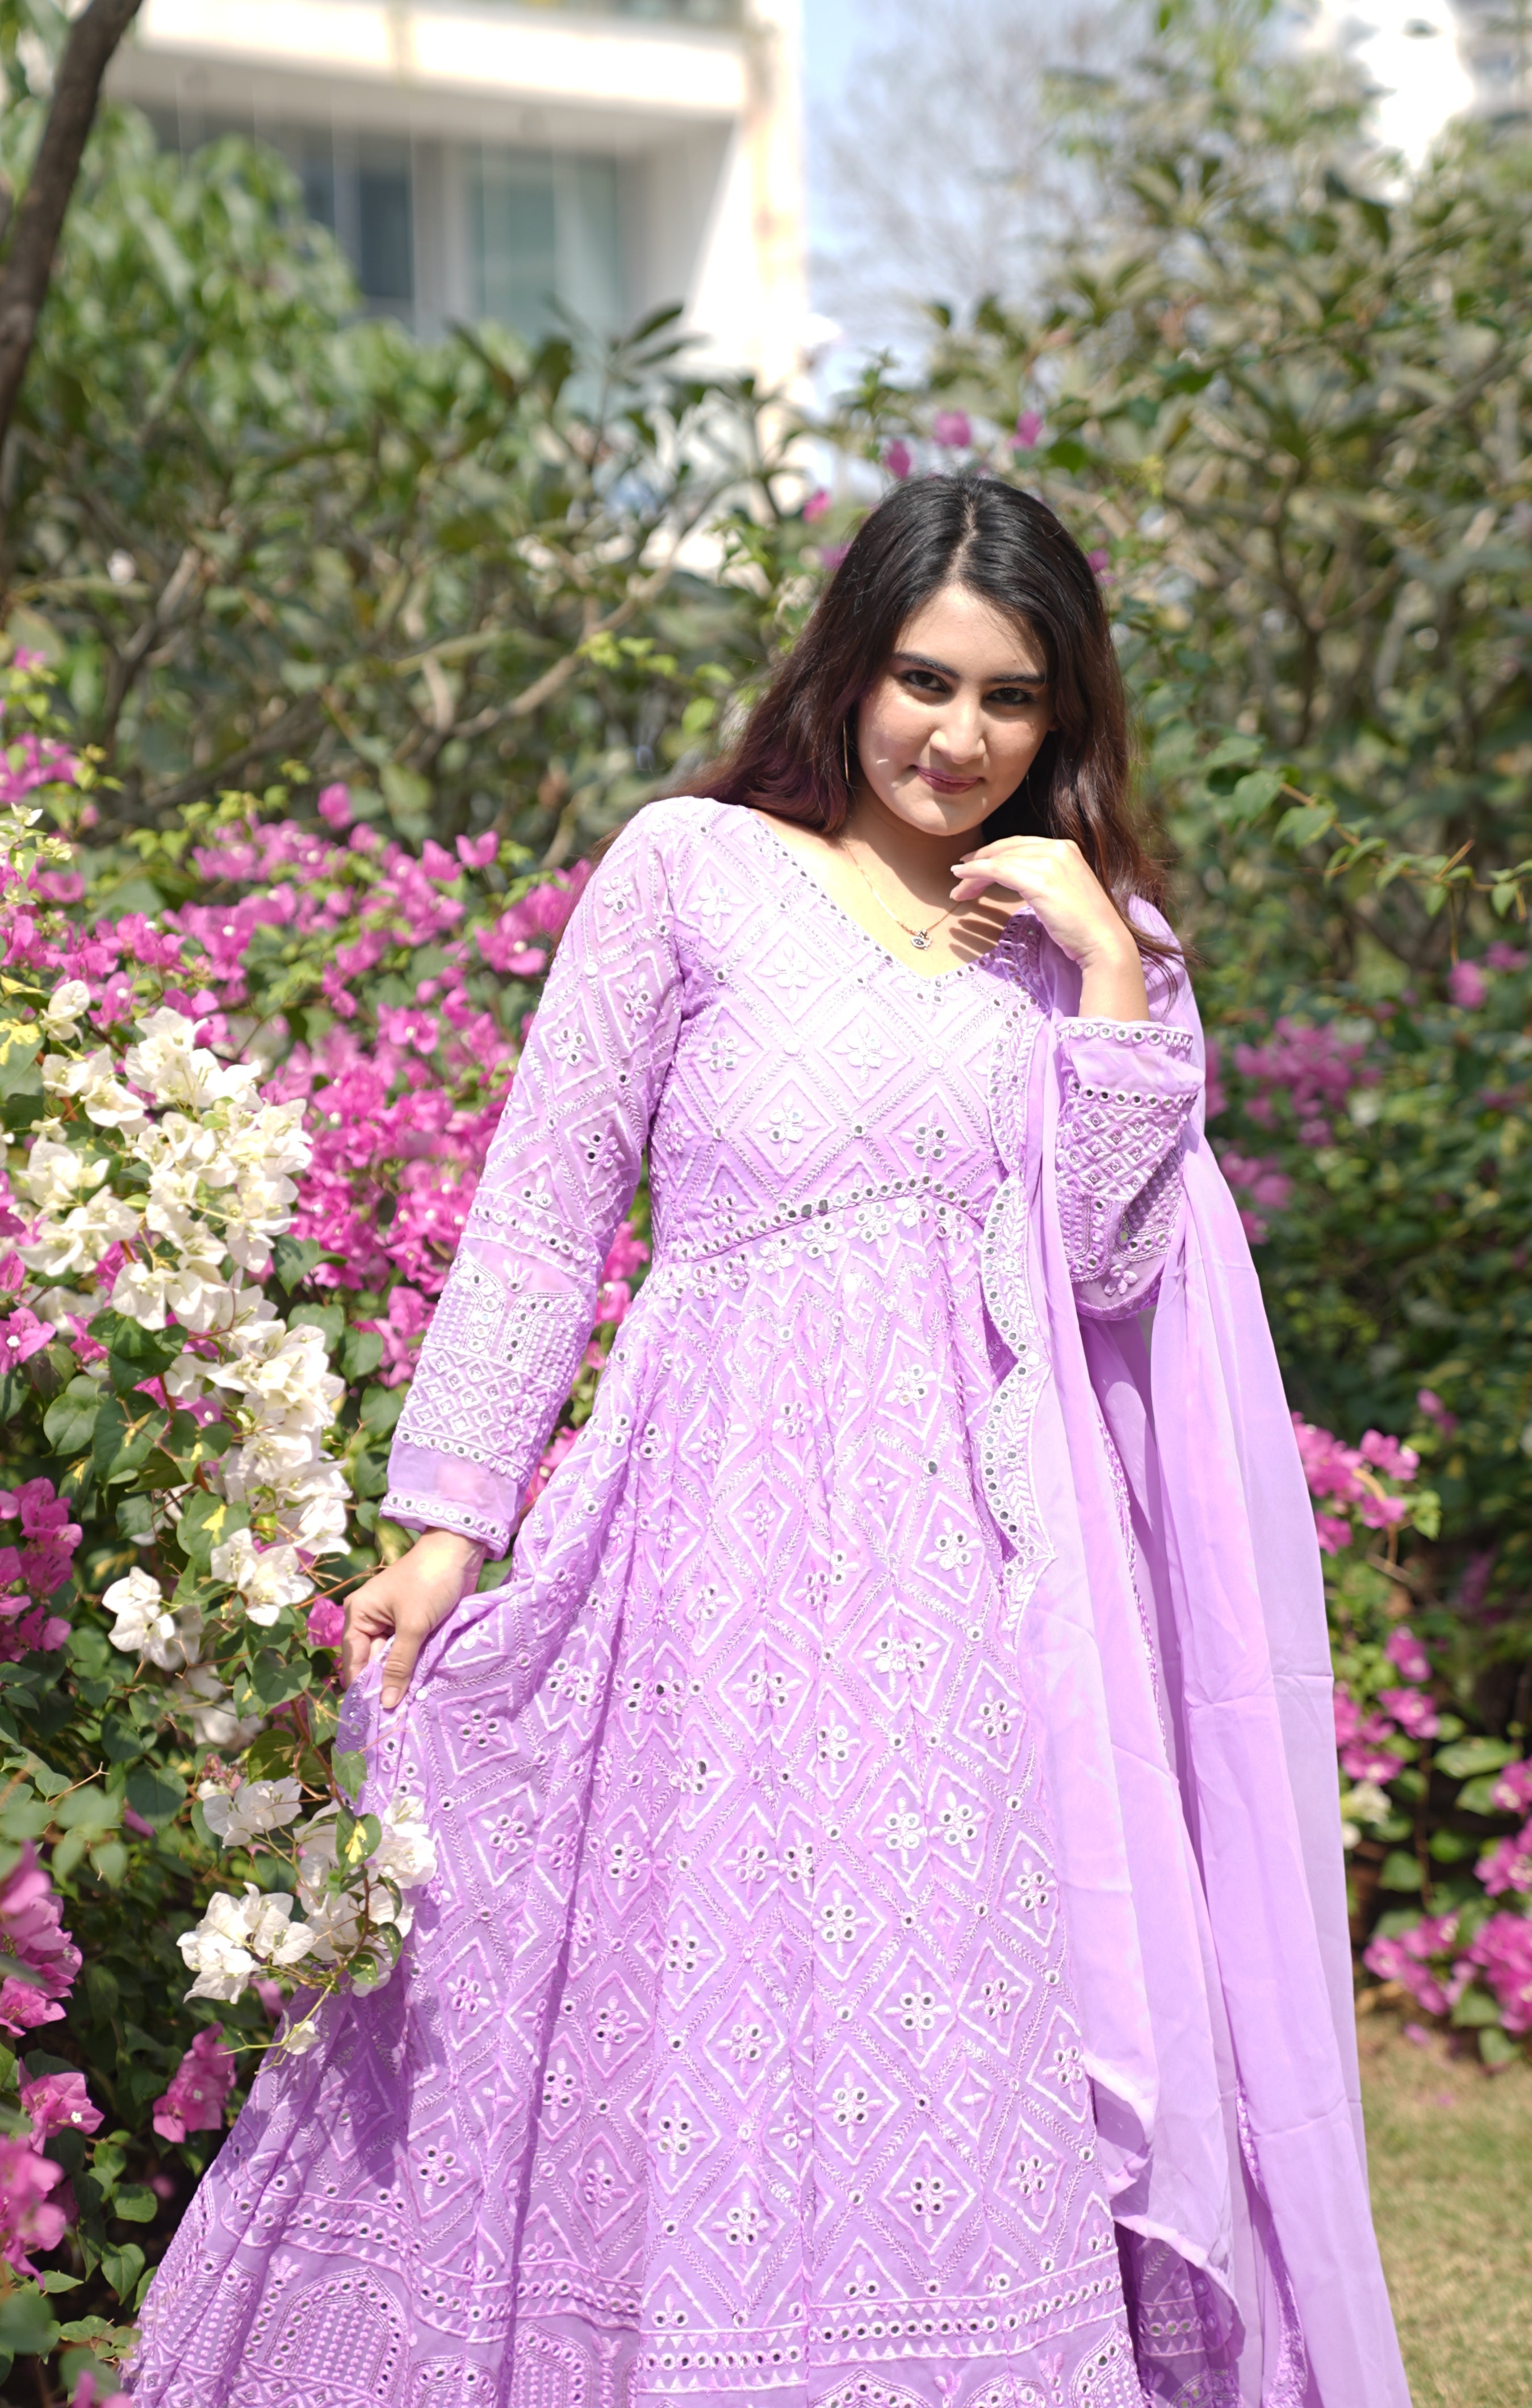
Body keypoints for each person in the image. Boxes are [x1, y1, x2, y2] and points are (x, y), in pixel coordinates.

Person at [130, 476, 1409, 2408]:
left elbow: (1110, 1268)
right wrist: (449, 1520)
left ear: (1065, 716)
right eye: (924, 681)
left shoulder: (1087, 947)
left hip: (974, 1592)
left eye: (1012, 699)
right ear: (851, 663)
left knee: (940, 2021)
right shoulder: (693, 870)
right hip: (701, 1556)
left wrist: (1114, 977)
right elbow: (548, 1201)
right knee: (682, 2001)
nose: (958, 738)